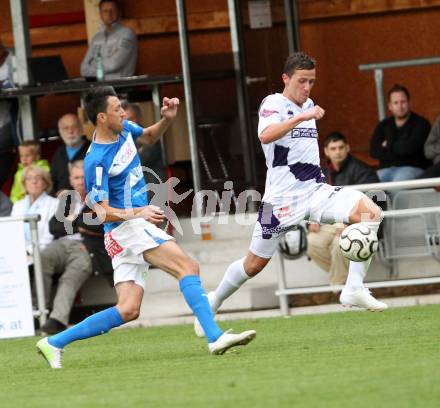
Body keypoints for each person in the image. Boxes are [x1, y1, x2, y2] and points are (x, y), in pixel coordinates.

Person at [36, 86, 256, 369]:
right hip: (127, 227)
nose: (123, 112)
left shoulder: (123, 128)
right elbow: (100, 212)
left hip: (125, 231)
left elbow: (149, 136)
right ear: (102, 117)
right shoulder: (95, 161)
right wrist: (138, 211)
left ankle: (53, 342)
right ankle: (213, 336)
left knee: (128, 309)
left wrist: (166, 119)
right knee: (187, 267)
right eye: (117, 109)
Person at [194, 53, 387, 337]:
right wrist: (303, 116)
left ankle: (354, 288)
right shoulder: (274, 103)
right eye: (301, 81)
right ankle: (214, 301)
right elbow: (265, 135)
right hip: (280, 201)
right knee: (254, 264)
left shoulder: (307, 104)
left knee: (371, 212)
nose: (307, 88)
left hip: (315, 191)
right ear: (286, 78)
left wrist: (305, 112)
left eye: (311, 81)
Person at [39, 160, 106, 335]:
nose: (80, 181)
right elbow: (54, 227)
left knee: (70, 277)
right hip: (62, 244)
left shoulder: (99, 196)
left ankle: (57, 320)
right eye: (76, 177)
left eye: (83, 177)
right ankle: (40, 308)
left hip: (87, 247)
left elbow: (97, 225)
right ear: (70, 179)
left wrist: (71, 220)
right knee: (42, 258)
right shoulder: (68, 198)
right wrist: (80, 222)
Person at [307, 132, 379, 285]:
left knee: (339, 244)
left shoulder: (363, 171)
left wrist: (350, 224)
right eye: (333, 149)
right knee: (312, 242)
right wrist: (314, 219)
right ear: (326, 151)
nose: (337, 152)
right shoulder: (322, 174)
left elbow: (374, 204)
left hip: (357, 223)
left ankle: (339, 287)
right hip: (331, 222)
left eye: (341, 147)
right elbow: (315, 200)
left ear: (348, 148)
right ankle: (348, 281)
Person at [370, 84, 431, 182]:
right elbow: (374, 151)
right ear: (390, 106)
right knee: (369, 183)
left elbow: (411, 148)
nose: (400, 106)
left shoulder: (421, 123)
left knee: (398, 184)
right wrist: (400, 147)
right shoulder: (383, 125)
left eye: (403, 102)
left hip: (412, 168)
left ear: (410, 103)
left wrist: (388, 145)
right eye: (396, 103)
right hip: (386, 170)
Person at [80, 0, 137, 80]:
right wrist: (106, 64)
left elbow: (113, 64)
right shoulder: (96, 38)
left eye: (112, 10)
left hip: (121, 88)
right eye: (105, 11)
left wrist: (93, 63)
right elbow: (83, 70)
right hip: (99, 88)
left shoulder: (127, 34)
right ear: (100, 14)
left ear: (119, 12)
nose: (109, 14)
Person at [11, 165, 58, 254]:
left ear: (45, 183)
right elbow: (12, 233)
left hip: (44, 254)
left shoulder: (54, 204)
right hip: (19, 253)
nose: (34, 181)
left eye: (38, 178)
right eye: (29, 178)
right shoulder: (17, 205)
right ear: (24, 183)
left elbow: (49, 236)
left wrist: (30, 252)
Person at [51, 113, 90, 194]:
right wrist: (57, 192)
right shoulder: (58, 154)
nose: (70, 131)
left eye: (74, 127)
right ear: (60, 131)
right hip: (62, 203)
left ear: (82, 128)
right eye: (65, 128)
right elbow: (53, 181)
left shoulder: (94, 150)